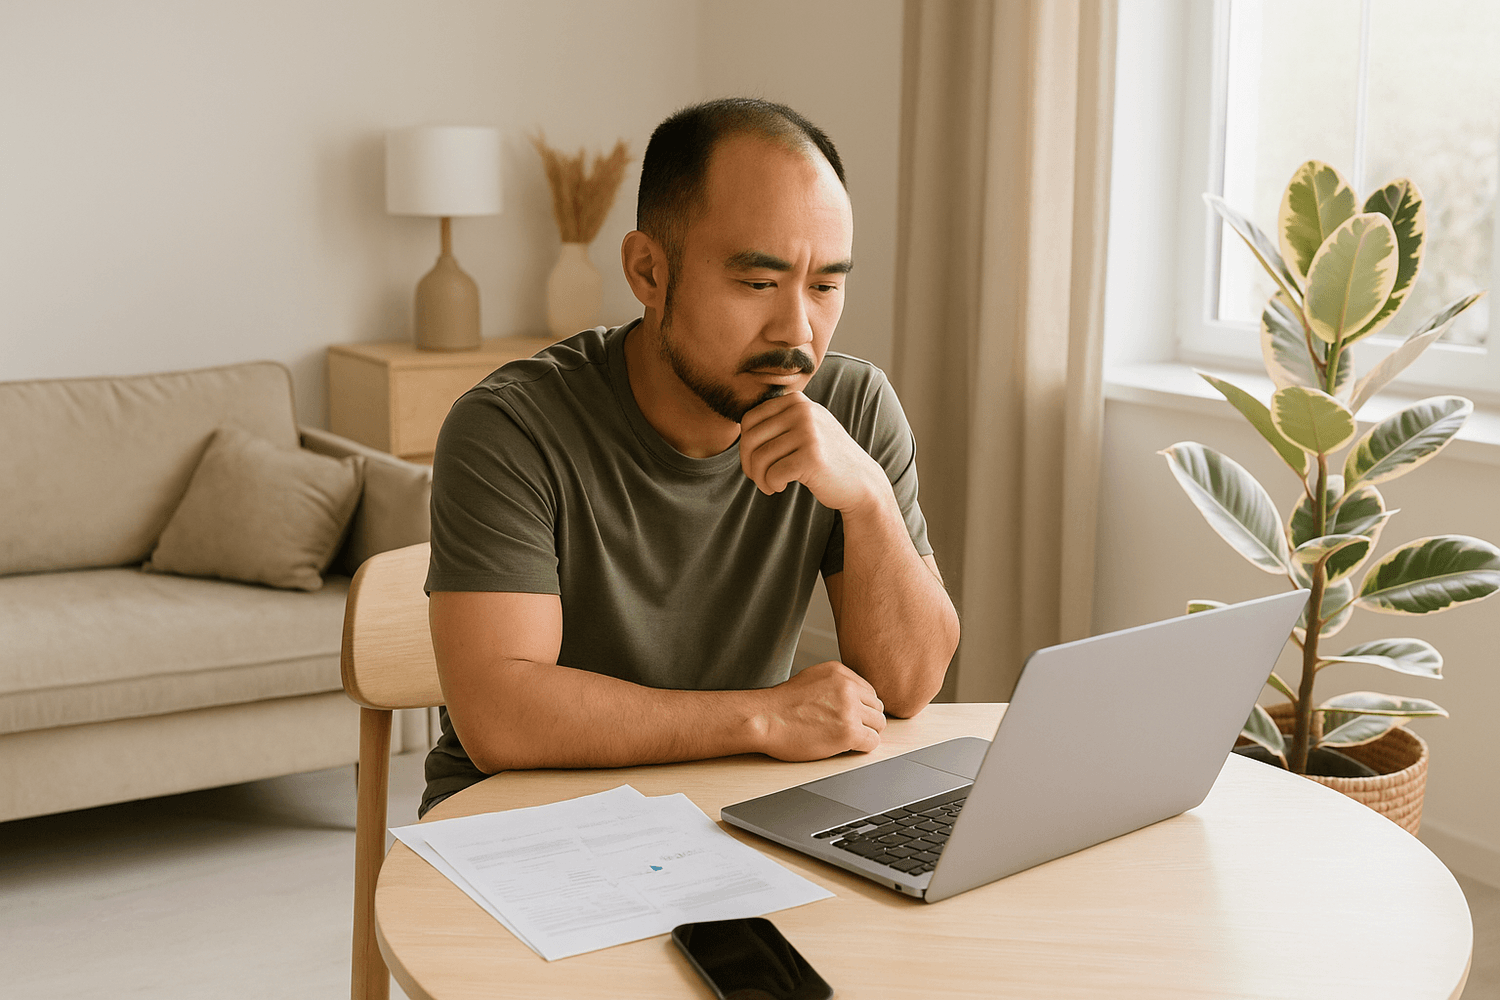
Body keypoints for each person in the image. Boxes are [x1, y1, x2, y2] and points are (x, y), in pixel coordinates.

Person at [421, 97, 960, 817]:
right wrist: (763, 718)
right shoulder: (510, 429)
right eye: (758, 283)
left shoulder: (852, 408)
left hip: (732, 808)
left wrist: (867, 496)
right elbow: (501, 719)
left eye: (826, 285)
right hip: (522, 822)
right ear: (648, 271)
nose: (797, 330)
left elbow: (910, 684)